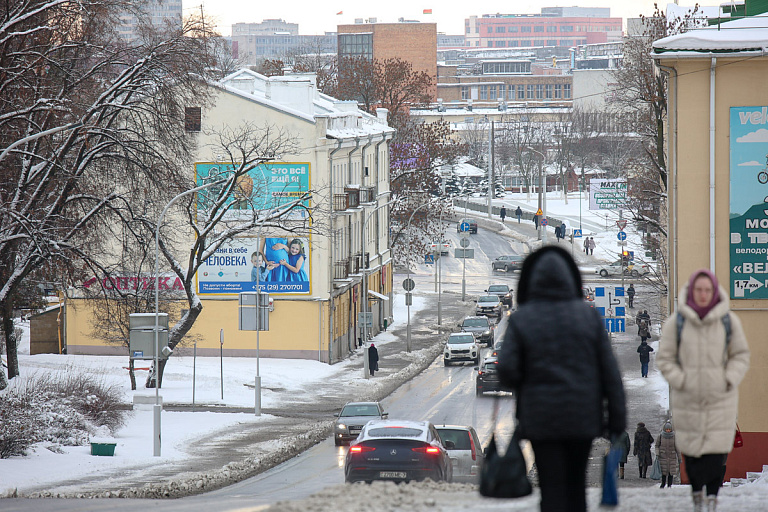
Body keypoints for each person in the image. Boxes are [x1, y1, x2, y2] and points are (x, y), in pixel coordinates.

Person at [497, 245, 626, 512]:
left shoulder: (522, 319)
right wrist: (616, 420)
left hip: (540, 420)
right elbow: (610, 373)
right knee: (576, 486)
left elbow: (507, 371)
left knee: (551, 487)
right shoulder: (588, 317)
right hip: (582, 419)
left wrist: (529, 378)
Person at [657, 269, 750, 511]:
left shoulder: (728, 322)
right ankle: (698, 495)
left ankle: (711, 498)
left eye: (707, 290)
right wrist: (680, 380)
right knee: (693, 455)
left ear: (714, 292)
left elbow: (740, 355)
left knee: (717, 454)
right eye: (698, 289)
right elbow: (665, 358)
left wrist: (728, 379)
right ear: (691, 291)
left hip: (720, 400)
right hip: (688, 400)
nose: (703, 294)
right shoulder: (677, 323)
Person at [656, 420, 680, 488]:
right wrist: (657, 453)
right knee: (663, 472)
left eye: (669, 429)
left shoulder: (674, 437)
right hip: (663, 457)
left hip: (672, 457)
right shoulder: (661, 436)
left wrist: (679, 458)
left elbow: (677, 447)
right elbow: (657, 445)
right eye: (667, 429)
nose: (668, 431)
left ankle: (669, 485)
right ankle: (663, 484)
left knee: (671, 472)